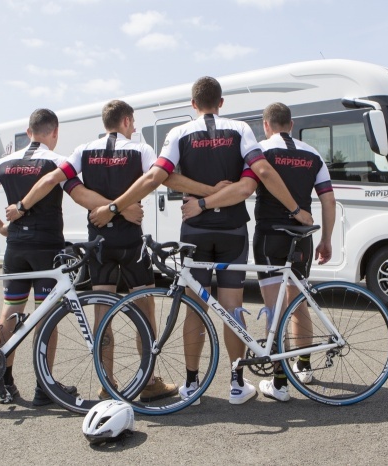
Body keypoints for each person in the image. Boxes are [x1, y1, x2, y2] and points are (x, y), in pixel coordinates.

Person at [90, 77, 310, 405]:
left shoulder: (179, 132)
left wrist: (115, 207)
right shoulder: (240, 129)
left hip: (194, 230)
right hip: (232, 230)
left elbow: (158, 176)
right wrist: (295, 209)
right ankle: (237, 385)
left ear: (193, 104)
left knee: (195, 308)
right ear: (221, 102)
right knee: (233, 308)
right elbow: (259, 175)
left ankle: (192, 383)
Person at [7, 100, 220, 402]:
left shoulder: (83, 150)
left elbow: (55, 180)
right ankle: (148, 382)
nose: (134, 128)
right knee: (145, 309)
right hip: (131, 243)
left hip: (99, 243)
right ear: (126, 121)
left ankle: (107, 383)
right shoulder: (140, 149)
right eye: (133, 123)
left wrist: (21, 206)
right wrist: (211, 191)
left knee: (102, 311)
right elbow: (163, 177)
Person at [0, 108, 75, 406]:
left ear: (28, 132)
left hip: (15, 245)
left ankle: (4, 382)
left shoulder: (4, 162)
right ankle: (44, 387)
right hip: (46, 246)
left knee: (10, 311)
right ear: (55, 132)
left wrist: (0, 226)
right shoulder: (56, 161)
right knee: (46, 317)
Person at [248, 102, 336, 402]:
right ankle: (304, 367)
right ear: (292, 124)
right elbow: (328, 200)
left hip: (269, 236)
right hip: (303, 237)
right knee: (298, 303)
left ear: (266, 125)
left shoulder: (261, 150)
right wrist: (326, 239)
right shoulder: (313, 154)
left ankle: (280, 383)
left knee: (275, 309)